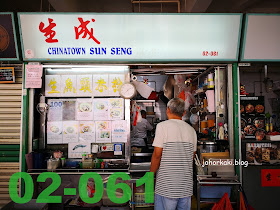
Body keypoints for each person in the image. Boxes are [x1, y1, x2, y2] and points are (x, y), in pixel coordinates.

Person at [150, 98, 197, 210]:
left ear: (168, 110)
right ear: (184, 113)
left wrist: (150, 175)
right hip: (185, 185)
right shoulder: (191, 130)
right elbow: (192, 157)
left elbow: (157, 155)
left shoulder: (162, 127)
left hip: (166, 185)